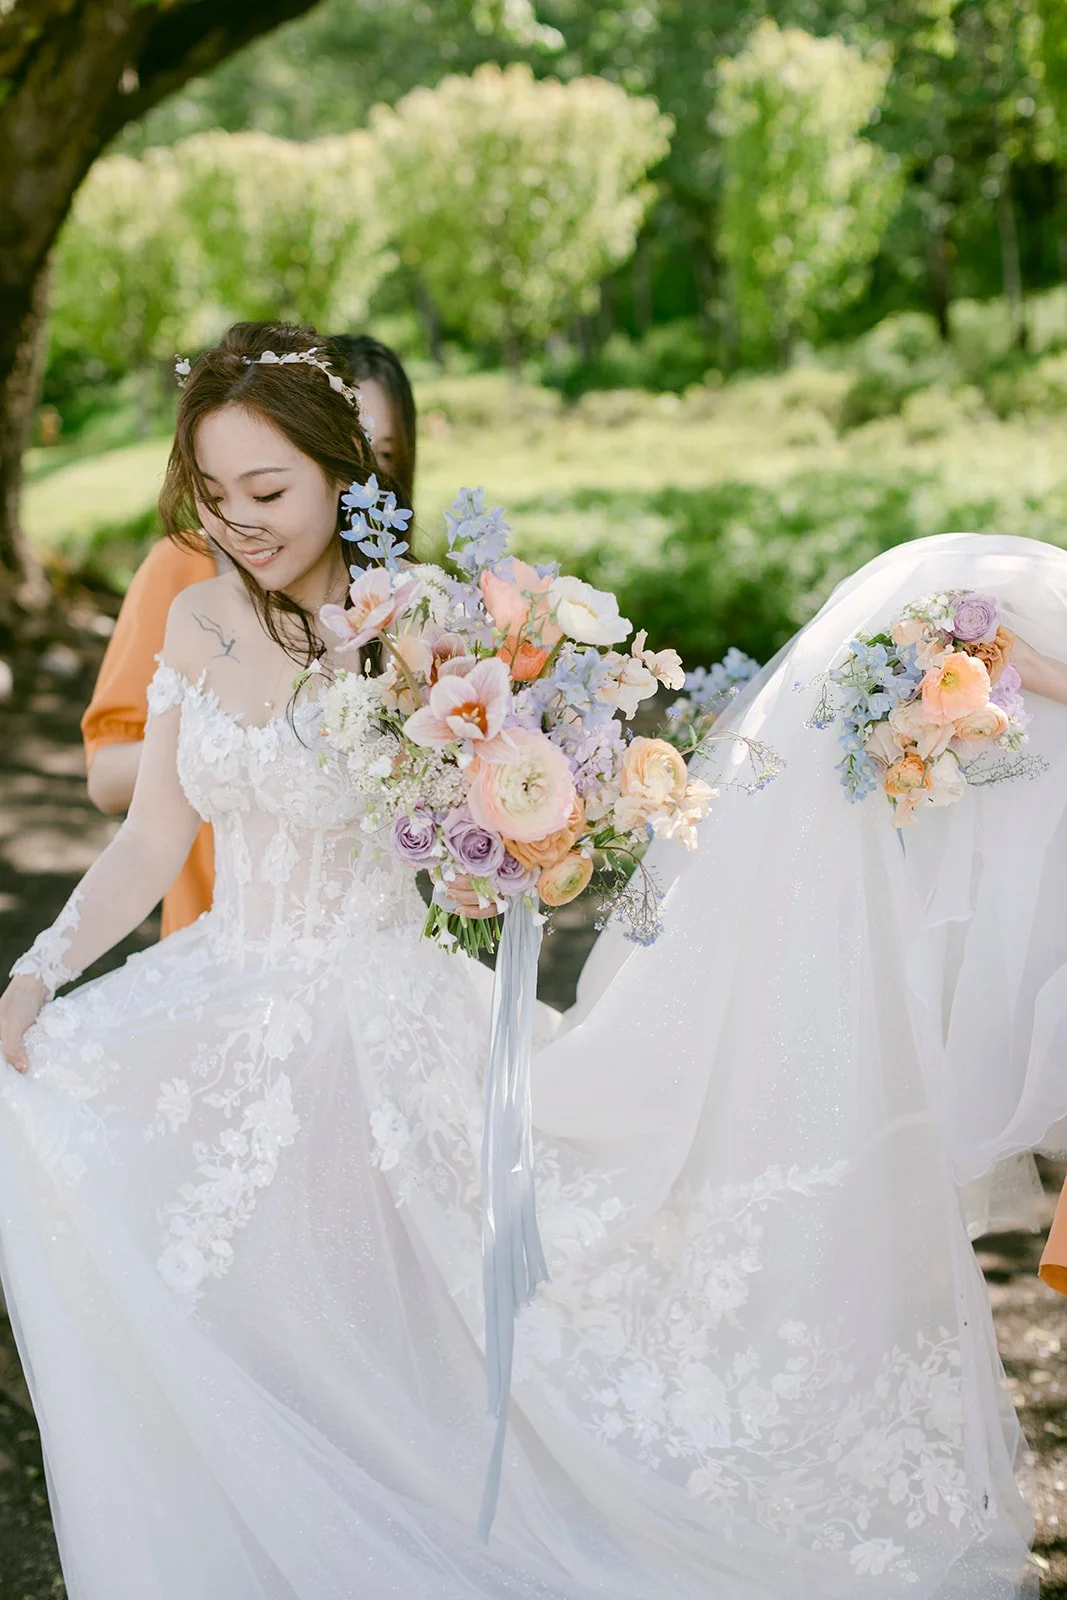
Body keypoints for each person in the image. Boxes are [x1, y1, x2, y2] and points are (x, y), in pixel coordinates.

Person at [2, 320, 1066, 1599]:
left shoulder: (424, 626)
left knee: (434, 1349)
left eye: (268, 491)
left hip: (386, 1033)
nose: (239, 523)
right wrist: (39, 972)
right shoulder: (191, 620)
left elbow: (522, 816)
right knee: (161, 1248)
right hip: (229, 1003)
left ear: (343, 472)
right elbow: (151, 837)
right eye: (215, 495)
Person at [80, 333, 416, 936]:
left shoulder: (410, 615)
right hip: (205, 928)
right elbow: (126, 804)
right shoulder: (189, 591)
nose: (238, 522)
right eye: (215, 495)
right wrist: (227, 743)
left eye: (384, 454)